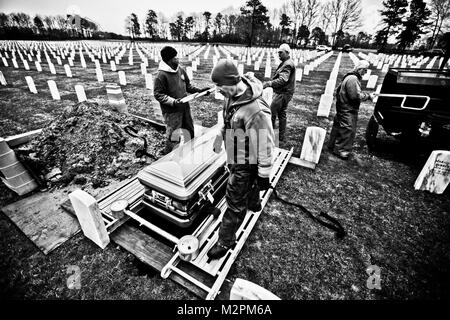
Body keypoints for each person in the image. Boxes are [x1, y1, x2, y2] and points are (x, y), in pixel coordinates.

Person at [207, 59, 275, 259]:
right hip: (236, 153)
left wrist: (264, 174)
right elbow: (228, 118)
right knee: (249, 186)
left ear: (231, 81)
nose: (218, 90)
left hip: (246, 161)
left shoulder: (256, 111)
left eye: (220, 86)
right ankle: (254, 203)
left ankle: (225, 241)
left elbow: (265, 145)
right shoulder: (232, 95)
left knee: (234, 201)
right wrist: (220, 135)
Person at [154, 46, 210, 154]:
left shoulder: (180, 70)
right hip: (172, 111)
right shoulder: (161, 75)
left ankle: (189, 153)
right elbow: (158, 94)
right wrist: (173, 102)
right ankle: (170, 156)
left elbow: (188, 86)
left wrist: (200, 91)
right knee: (174, 135)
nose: (178, 59)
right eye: (175, 57)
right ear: (169, 60)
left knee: (190, 130)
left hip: (184, 107)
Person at [328, 60, 375, 160]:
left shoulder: (350, 77)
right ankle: (341, 151)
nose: (365, 73)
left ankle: (332, 145)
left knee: (338, 126)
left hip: (343, 106)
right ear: (360, 69)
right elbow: (355, 96)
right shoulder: (353, 79)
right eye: (365, 70)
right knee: (347, 129)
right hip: (347, 108)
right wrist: (368, 96)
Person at [262, 43, 296, 142]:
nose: (279, 54)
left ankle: (270, 136)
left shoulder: (288, 64)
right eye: (278, 53)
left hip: (283, 93)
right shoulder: (287, 62)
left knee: (271, 112)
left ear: (287, 52)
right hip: (286, 92)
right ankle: (281, 136)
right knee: (282, 114)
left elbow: (283, 80)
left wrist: (269, 83)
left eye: (281, 53)